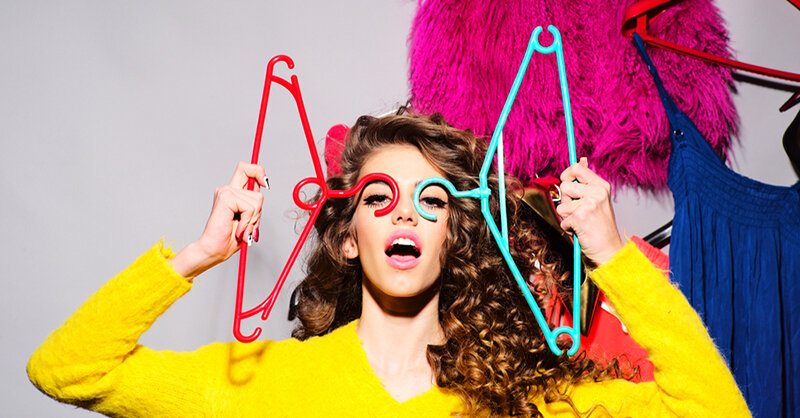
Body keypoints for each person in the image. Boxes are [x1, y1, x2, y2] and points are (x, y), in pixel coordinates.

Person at [27, 110, 749, 417]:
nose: (405, 214)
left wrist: (614, 258)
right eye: (380, 198)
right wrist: (197, 256)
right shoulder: (267, 386)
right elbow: (67, 369)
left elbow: (715, 410)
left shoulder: (524, 399)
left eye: (432, 201)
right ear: (348, 239)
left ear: (453, 238)